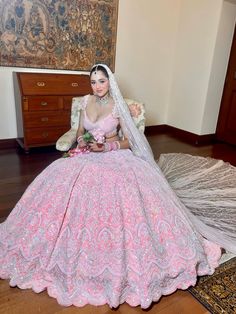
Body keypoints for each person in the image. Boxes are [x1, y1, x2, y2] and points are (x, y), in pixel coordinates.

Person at [0, 64, 235, 309]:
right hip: (86, 155)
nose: (97, 86)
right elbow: (80, 131)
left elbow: (128, 141)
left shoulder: (119, 106)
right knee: (57, 178)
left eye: (101, 81)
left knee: (120, 192)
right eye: (93, 82)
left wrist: (107, 146)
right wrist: (84, 141)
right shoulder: (84, 102)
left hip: (115, 157)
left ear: (109, 82)